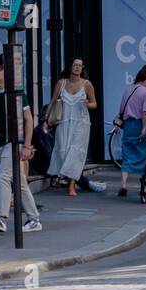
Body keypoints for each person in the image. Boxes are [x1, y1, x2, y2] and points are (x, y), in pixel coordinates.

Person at [0, 54, 42, 234]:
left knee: (2, 177)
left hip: (14, 142)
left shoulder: (16, 93)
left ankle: (1, 219)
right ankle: (34, 219)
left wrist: (27, 145)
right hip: (3, 143)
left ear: (4, 70)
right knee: (20, 183)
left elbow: (29, 120)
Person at [47, 58, 96, 197]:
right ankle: (64, 179)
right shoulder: (61, 83)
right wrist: (46, 118)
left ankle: (71, 186)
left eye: (80, 65)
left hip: (81, 123)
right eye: (75, 65)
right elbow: (52, 102)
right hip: (64, 122)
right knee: (63, 151)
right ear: (70, 67)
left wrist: (88, 103)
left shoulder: (87, 84)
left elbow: (94, 103)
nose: (77, 67)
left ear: (82, 69)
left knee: (74, 153)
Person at [117, 65, 146, 197]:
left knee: (127, 153)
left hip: (128, 125)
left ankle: (123, 184)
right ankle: (145, 187)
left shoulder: (128, 90)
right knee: (145, 154)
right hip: (140, 124)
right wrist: (144, 128)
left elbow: (121, 110)